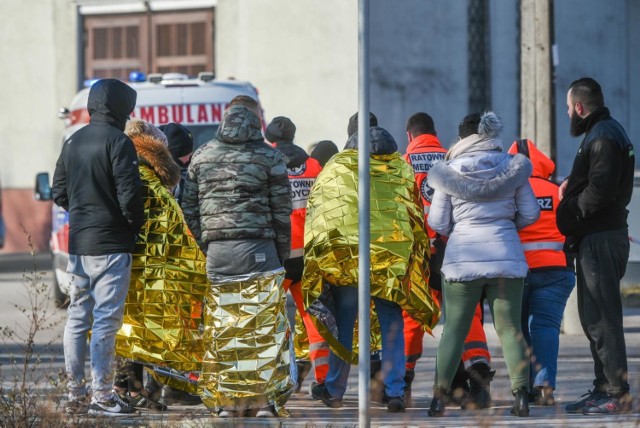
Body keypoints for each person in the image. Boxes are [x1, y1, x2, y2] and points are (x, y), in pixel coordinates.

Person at [302, 125, 440, 413]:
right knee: (391, 324)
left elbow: (319, 215)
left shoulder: (337, 169)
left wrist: (323, 261)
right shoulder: (400, 170)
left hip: (348, 261)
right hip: (390, 260)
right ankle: (394, 391)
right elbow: (413, 217)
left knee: (344, 324)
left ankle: (335, 388)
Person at [182, 95, 294, 418]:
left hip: (218, 255)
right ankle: (260, 401)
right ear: (257, 119)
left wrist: (208, 245)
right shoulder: (269, 157)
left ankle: (226, 403)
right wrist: (280, 255)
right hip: (259, 253)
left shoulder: (201, 157)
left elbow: (189, 210)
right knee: (260, 329)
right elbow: (281, 213)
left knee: (223, 327)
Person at [426, 111, 540, 418]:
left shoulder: (448, 171)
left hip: (462, 261)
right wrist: (505, 226)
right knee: (510, 329)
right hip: (507, 260)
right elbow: (531, 213)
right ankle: (521, 398)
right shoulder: (512, 167)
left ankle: (438, 398)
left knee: (454, 330)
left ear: (462, 138)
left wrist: (459, 230)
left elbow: (437, 221)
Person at [52, 78, 143, 417]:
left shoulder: (73, 141)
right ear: (120, 107)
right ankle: (102, 396)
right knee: (105, 322)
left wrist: (83, 212)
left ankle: (75, 394)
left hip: (79, 244)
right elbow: (130, 196)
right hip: (111, 244)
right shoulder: (119, 141)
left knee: (77, 317)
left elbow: (59, 191)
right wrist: (132, 226)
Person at [404, 112, 494, 409]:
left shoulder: (402, 164)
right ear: (435, 133)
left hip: (419, 253)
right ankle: (477, 371)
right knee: (464, 314)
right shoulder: (451, 159)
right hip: (454, 247)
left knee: (413, 315)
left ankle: (402, 381)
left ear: (409, 136)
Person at [557, 77, 635, 414]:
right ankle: (603, 387)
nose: (567, 116)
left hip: (601, 239)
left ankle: (616, 392)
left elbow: (601, 189)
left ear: (578, 107)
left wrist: (570, 210)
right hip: (597, 238)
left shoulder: (603, 136)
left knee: (603, 318)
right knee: (593, 317)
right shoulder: (604, 132)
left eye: (567, 109)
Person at [506, 139, 576, 406]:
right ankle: (545, 388)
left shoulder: (511, 192)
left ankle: (522, 389)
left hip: (518, 272)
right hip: (557, 270)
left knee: (519, 329)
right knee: (546, 327)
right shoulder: (557, 191)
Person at [159, 122, 194, 206]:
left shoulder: (193, 172)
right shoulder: (153, 176)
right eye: (182, 157)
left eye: (190, 154)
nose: (188, 159)